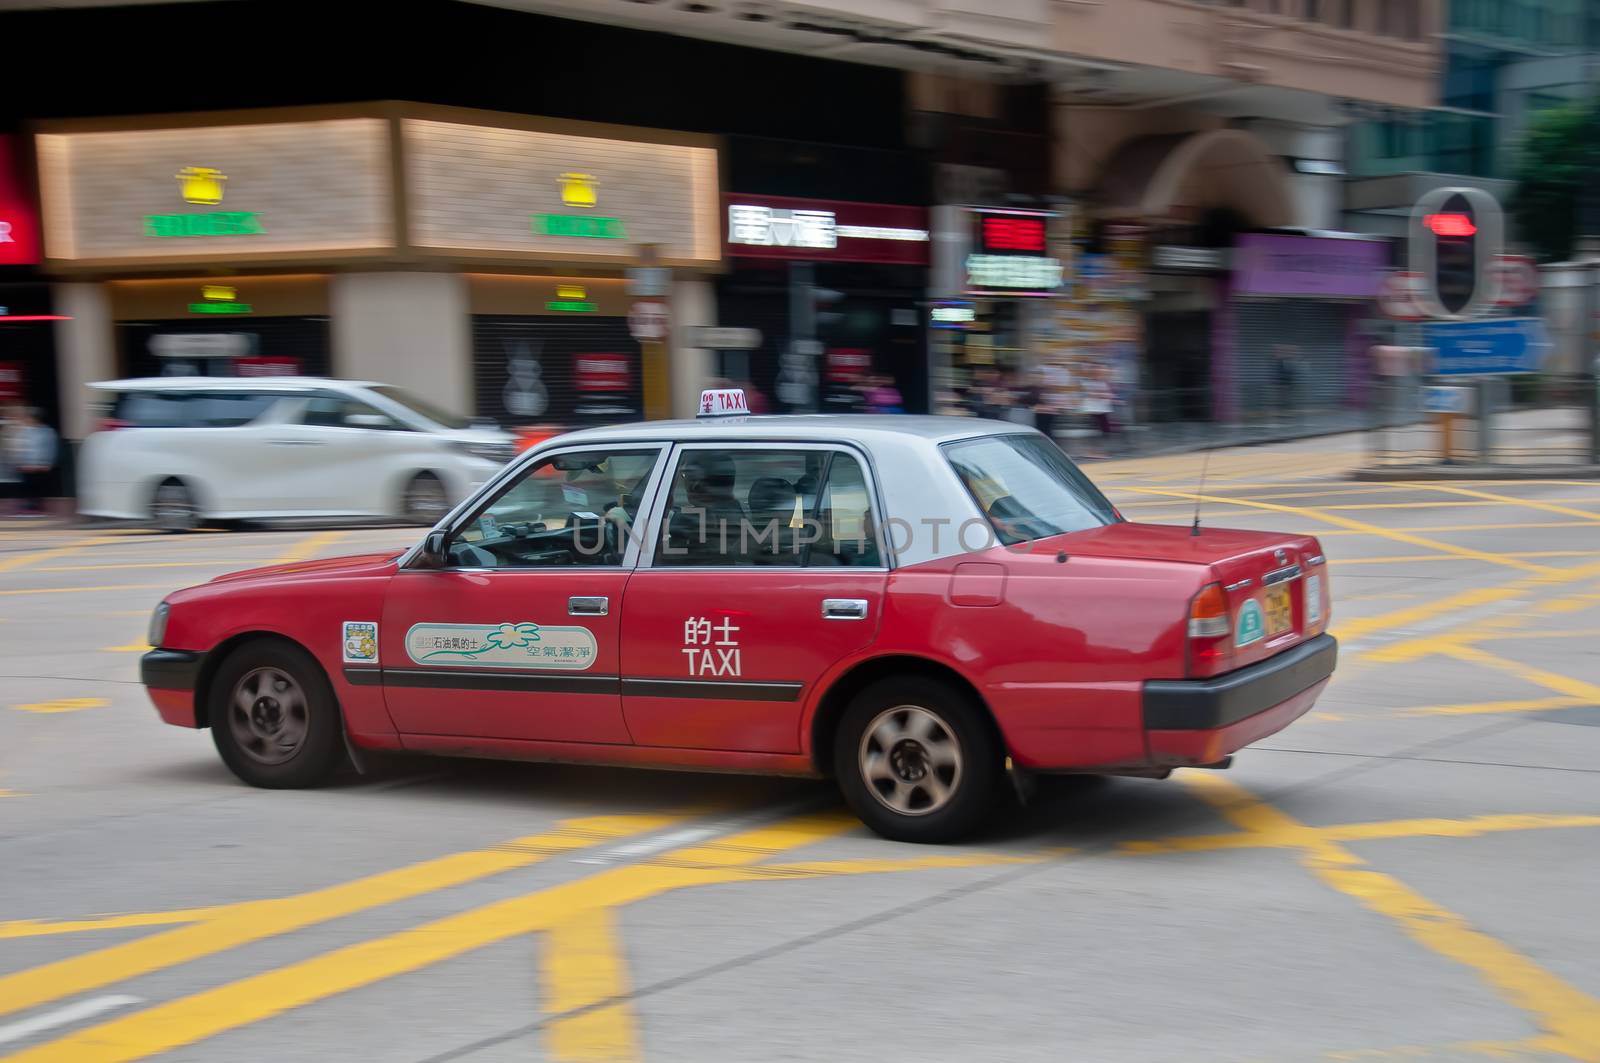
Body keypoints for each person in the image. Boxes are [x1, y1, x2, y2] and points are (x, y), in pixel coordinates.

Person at [8, 407, 58, 517]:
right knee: (27, 487)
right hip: (27, 465)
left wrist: (48, 463)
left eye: (30, 418)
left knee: (39, 486)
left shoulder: (47, 431)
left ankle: (39, 508)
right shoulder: (24, 432)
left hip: (41, 465)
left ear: (37, 419)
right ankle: (27, 507)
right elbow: (20, 446)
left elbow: (51, 448)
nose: (28, 420)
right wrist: (19, 462)